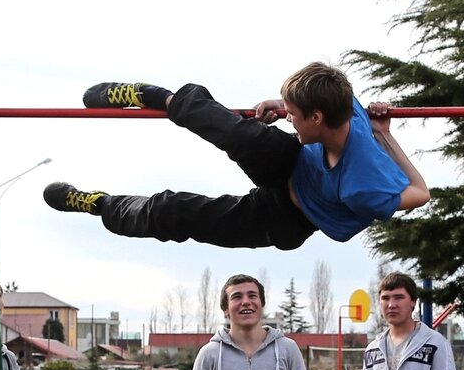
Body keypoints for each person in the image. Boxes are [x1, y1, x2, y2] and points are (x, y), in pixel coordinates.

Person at [43, 61, 430, 250]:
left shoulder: (366, 186)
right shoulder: (341, 102)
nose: (287, 118)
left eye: (294, 115)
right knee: (239, 134)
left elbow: (420, 192)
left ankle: (100, 205)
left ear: (316, 118)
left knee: (176, 211)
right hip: (294, 162)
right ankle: (156, 96)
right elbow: (311, 108)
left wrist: (385, 137)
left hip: (286, 217)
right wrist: (283, 103)